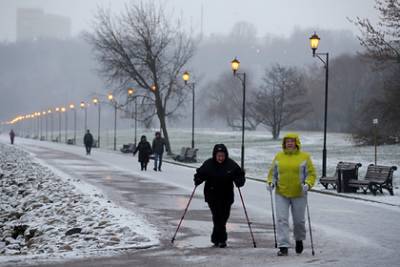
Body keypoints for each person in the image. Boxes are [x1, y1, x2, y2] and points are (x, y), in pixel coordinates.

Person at [267, 133, 316, 256]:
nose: (289, 143)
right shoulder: (279, 156)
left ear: (296, 143)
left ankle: (299, 239)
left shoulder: (305, 157)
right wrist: (270, 183)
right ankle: (283, 246)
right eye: (287, 141)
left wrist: (308, 184)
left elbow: (311, 174)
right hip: (281, 192)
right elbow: (273, 173)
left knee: (299, 221)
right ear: (284, 143)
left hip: (299, 193)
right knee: (282, 219)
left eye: (292, 141)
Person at [194, 144, 245, 248]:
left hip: (227, 195)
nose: (221, 158)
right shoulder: (209, 164)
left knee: (224, 217)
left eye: (222, 156)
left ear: (225, 155)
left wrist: (239, 181)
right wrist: (198, 179)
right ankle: (222, 240)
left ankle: (215, 238)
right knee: (217, 216)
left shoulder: (231, 164)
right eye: (218, 156)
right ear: (215, 155)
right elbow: (200, 173)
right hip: (212, 195)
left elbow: (239, 174)